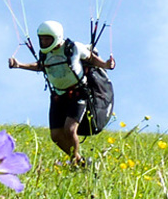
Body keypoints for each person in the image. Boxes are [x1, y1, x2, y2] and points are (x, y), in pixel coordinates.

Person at [9, 20, 115, 166]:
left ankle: (74, 162)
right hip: (58, 96)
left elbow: (90, 58)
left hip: (78, 93)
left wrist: (105, 65)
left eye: (48, 39)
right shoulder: (45, 54)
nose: (44, 42)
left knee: (70, 130)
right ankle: (79, 161)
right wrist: (19, 65)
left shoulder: (73, 48)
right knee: (56, 135)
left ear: (57, 37)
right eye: (42, 39)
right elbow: (41, 67)